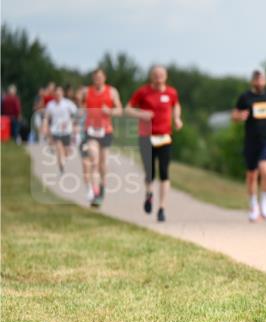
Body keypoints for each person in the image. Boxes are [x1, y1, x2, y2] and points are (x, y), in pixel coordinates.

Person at [125, 66, 182, 222]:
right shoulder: (143, 92)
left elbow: (176, 105)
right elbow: (128, 109)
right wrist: (141, 114)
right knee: (149, 172)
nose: (158, 78)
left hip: (165, 137)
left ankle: (162, 208)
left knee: (164, 172)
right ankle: (149, 193)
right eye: (156, 75)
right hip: (146, 136)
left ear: (166, 76)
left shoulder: (171, 92)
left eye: (161, 75)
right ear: (151, 77)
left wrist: (177, 118)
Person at [232, 68, 266, 222]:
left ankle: (265, 203)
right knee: (252, 175)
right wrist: (240, 116)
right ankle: (254, 206)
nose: (259, 81)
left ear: (265, 80)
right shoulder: (245, 97)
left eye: (261, 79)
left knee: (265, 169)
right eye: (256, 79)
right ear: (252, 81)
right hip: (251, 141)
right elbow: (234, 115)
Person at [79, 69, 124, 207]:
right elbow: (81, 106)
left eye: (100, 77)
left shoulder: (112, 91)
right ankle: (95, 192)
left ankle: (102, 187)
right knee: (94, 160)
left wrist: (109, 111)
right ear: (93, 78)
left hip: (106, 131)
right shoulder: (87, 92)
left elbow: (120, 110)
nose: (98, 80)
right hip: (90, 130)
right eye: (95, 77)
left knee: (103, 164)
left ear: (104, 78)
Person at [42, 85, 77, 175]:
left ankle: (64, 158)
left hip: (66, 130)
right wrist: (45, 127)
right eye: (56, 94)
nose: (58, 95)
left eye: (59, 94)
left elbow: (75, 114)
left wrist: (75, 125)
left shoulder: (68, 103)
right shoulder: (50, 105)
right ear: (54, 95)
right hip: (55, 130)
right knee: (58, 148)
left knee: (66, 151)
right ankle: (61, 167)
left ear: (62, 94)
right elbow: (46, 117)